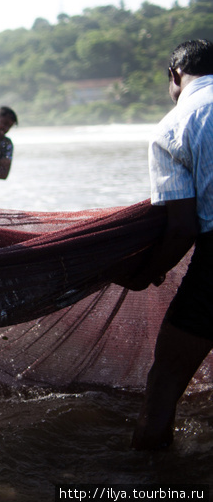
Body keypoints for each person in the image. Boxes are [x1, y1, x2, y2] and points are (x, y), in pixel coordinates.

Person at [122, 40, 213, 450]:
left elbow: (182, 228)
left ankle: (150, 482)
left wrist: (144, 273)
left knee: (165, 381)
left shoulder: (175, 124)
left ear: (175, 76)